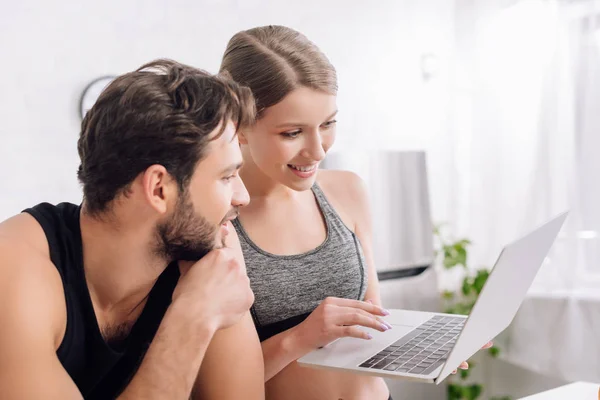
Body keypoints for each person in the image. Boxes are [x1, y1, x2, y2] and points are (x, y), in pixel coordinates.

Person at [219, 25, 490, 400]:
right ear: (239, 125)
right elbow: (217, 389)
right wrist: (303, 336)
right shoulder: (219, 227)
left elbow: (373, 320)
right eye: (292, 132)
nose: (318, 150)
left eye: (328, 124)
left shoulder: (346, 191)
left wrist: (429, 346)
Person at [0, 59, 265, 400]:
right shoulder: (14, 270)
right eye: (227, 176)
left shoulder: (207, 249)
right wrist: (193, 317)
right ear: (158, 188)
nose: (242, 197)